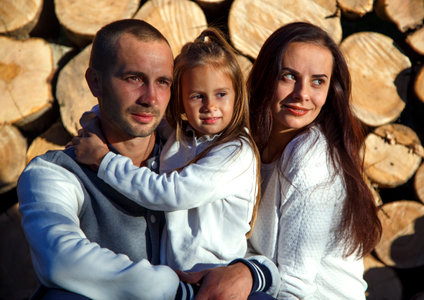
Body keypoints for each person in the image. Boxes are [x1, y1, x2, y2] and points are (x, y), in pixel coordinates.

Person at [17, 19, 277, 300]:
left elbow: (229, 236)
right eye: (134, 78)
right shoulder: (54, 173)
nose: (151, 98)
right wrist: (179, 291)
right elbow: (61, 259)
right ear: (95, 82)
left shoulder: (193, 153)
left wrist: (251, 271)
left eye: (163, 82)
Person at [72, 28, 261, 273]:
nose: (210, 106)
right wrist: (91, 126)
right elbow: (130, 115)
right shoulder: (182, 134)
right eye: (197, 96)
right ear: (180, 99)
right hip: (174, 277)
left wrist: (103, 160)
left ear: (237, 96)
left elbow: (170, 193)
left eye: (221, 94)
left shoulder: (236, 152)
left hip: (212, 273)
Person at [245, 22, 383, 299]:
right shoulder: (249, 146)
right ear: (265, 77)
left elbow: (293, 288)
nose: (302, 94)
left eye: (317, 81)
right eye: (288, 76)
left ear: (331, 91)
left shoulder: (310, 159)